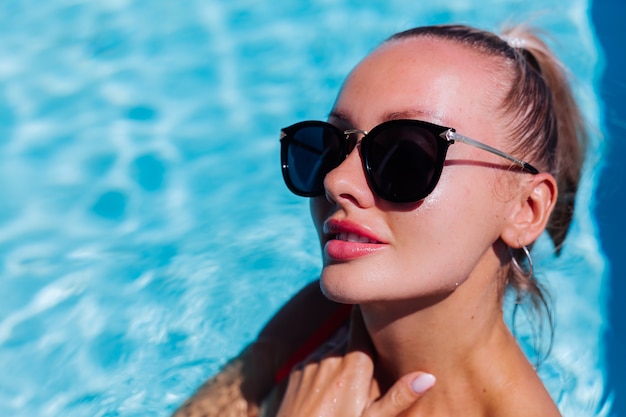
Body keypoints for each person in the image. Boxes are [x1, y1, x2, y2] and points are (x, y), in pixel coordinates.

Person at [173, 23, 587, 417]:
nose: (336, 181)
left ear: (526, 210)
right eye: (330, 145)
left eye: (405, 156)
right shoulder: (328, 314)